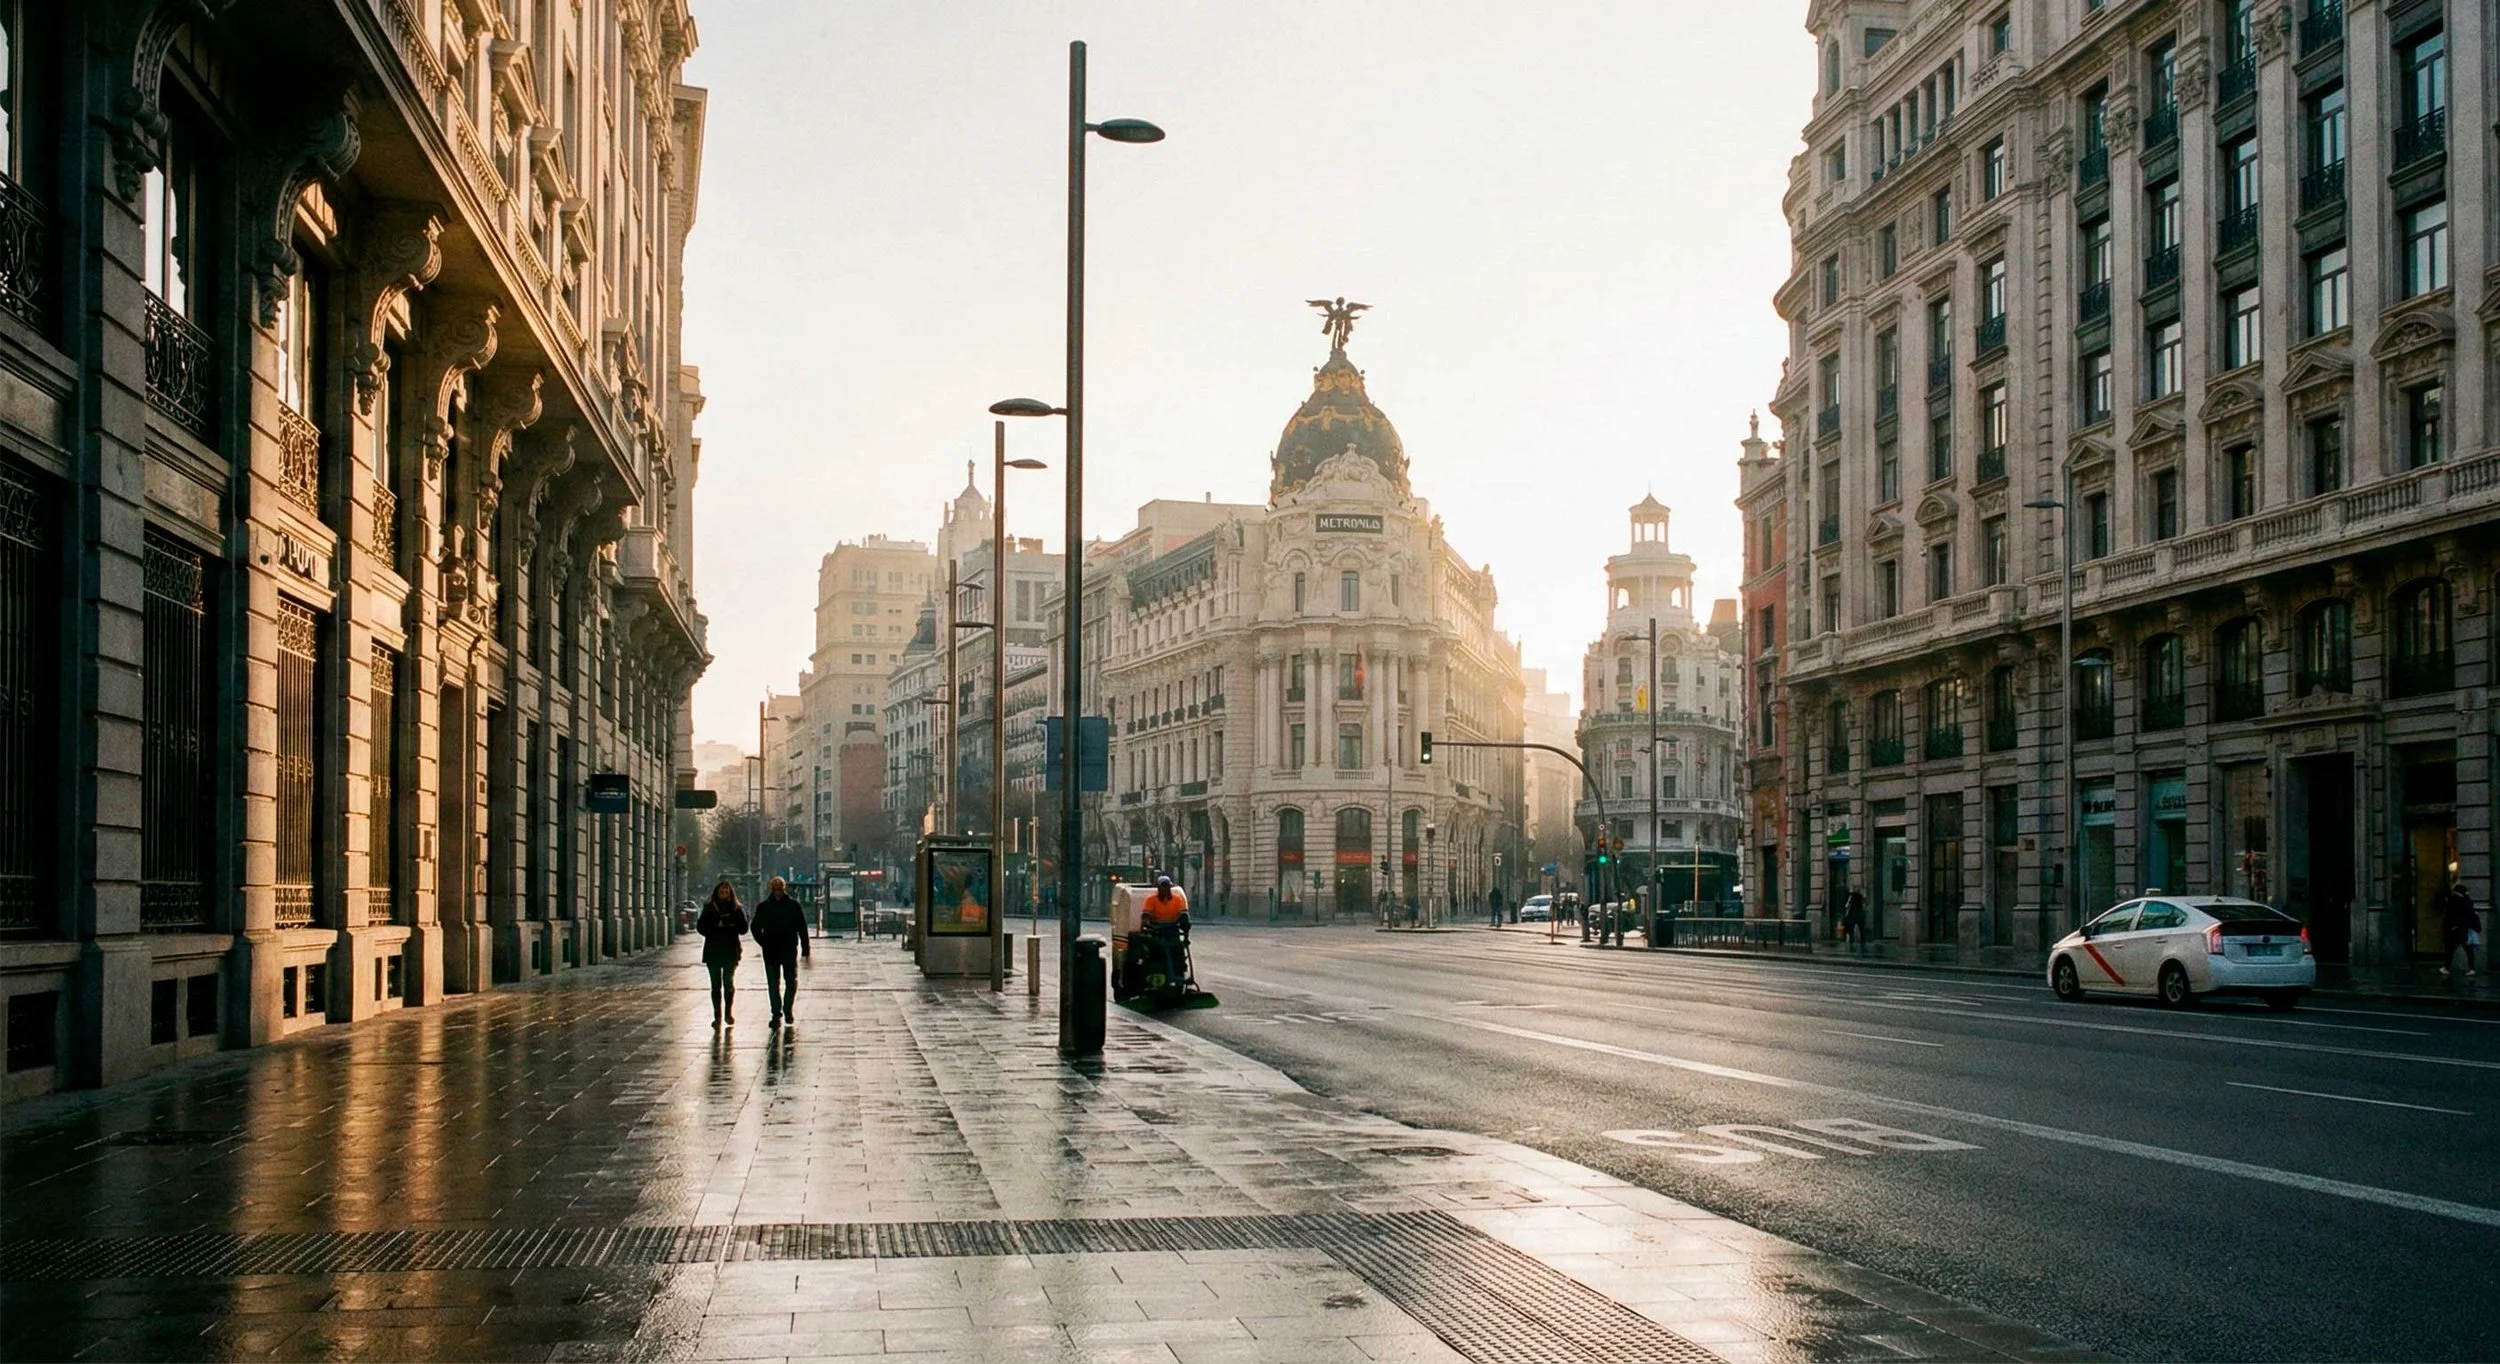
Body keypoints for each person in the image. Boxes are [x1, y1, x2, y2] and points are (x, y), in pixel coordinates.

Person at [751, 875, 811, 1027]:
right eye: (775, 889)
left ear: (784, 889)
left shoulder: (793, 906)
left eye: (780, 889)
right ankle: (776, 1012)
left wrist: (805, 948)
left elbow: (802, 928)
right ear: (771, 890)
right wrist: (763, 942)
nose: (778, 892)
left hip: (788, 950)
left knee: (791, 981)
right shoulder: (764, 907)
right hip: (771, 950)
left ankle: (787, 1009)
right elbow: (755, 927)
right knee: (773, 983)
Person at [696, 881, 747, 1026]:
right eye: (721, 891)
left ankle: (728, 1013)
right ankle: (717, 1015)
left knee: (728, 983)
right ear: (717, 892)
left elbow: (744, 928)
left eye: (726, 891)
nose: (724, 893)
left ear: (730, 893)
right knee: (716, 985)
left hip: (730, 950)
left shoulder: (736, 908)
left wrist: (731, 924)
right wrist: (714, 930)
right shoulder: (709, 907)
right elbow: (700, 926)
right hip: (713, 950)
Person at [2440, 881, 2481, 977]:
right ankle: (2472, 968)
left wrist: (2451, 926)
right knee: (2468, 949)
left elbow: (2450, 914)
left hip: (2455, 928)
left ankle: (2446, 967)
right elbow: (2471, 912)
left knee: (2450, 949)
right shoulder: (2467, 901)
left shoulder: (2453, 900)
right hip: (2465, 928)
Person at [1841, 888, 1868, 955]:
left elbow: (1847, 905)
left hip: (1852, 915)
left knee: (1851, 931)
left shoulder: (1850, 896)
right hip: (1860, 914)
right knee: (1862, 931)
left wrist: (1846, 914)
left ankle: (1851, 945)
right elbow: (1864, 904)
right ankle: (1863, 945)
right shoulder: (1860, 896)